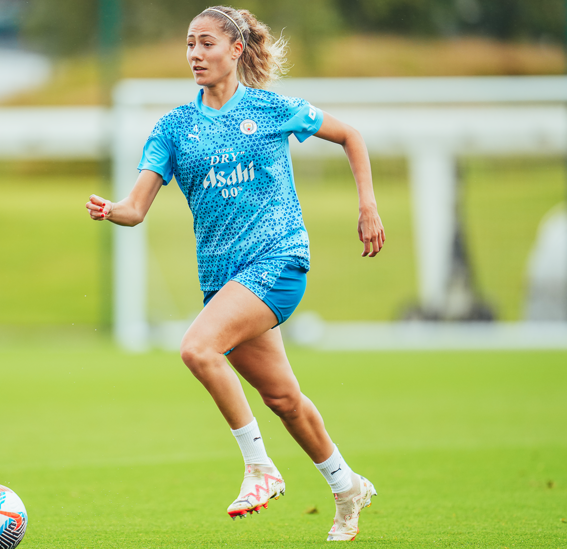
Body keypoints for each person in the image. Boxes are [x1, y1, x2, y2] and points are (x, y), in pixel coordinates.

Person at [85, 5, 385, 542]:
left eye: (206, 43)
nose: (195, 54)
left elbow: (351, 136)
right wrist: (112, 209)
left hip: (278, 261)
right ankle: (347, 487)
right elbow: (137, 207)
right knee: (284, 401)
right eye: (189, 44)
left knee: (197, 348)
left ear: (235, 49)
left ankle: (259, 469)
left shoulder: (272, 109)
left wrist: (368, 206)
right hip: (223, 282)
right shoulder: (175, 127)